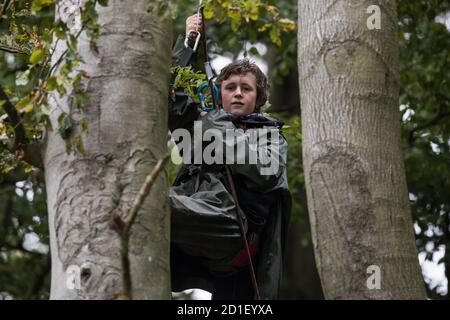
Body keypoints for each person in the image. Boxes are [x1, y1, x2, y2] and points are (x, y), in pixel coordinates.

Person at [168, 14, 291, 300]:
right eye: (230, 88)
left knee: (155, 206)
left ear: (257, 98)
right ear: (218, 93)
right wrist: (188, 44)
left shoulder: (270, 136)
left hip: (231, 227)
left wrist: (215, 122)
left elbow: (265, 170)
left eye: (246, 89)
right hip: (196, 214)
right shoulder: (204, 123)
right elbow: (172, 100)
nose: (237, 94)